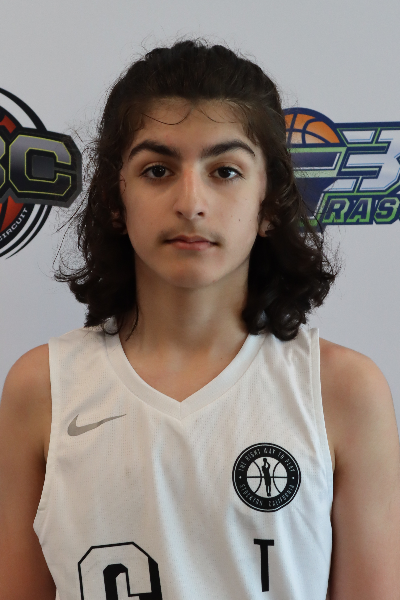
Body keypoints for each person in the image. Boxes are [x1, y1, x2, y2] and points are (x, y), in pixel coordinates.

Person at [0, 39, 399, 600]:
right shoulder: (41, 389)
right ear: (115, 200)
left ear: (269, 202)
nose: (191, 202)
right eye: (158, 170)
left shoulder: (342, 390)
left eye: (225, 171)